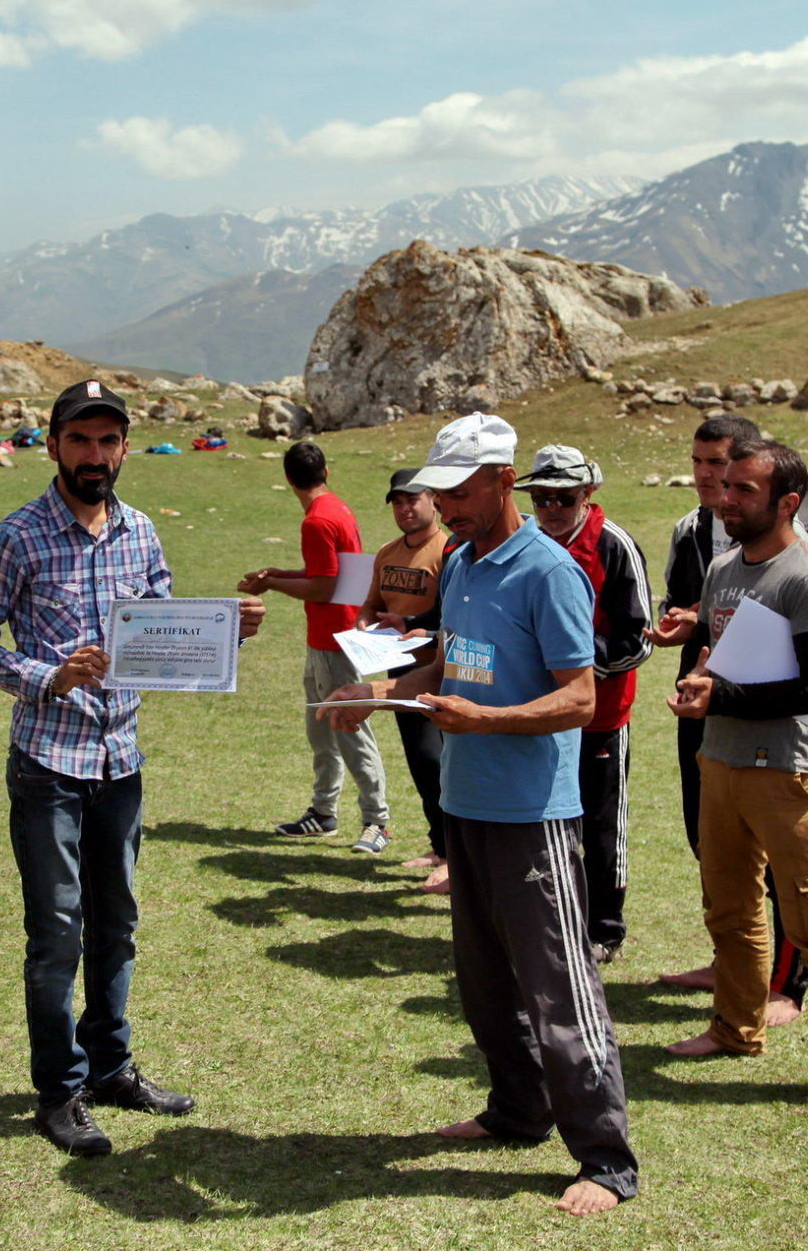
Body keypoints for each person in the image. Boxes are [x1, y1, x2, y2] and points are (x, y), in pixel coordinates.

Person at [319, 412, 638, 1215]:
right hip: (465, 803)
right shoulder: (460, 563)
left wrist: (484, 720)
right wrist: (381, 692)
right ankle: (516, 1112)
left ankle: (605, 1159)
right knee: (486, 983)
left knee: (558, 986)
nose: (447, 507)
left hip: (531, 811)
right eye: (439, 493)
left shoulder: (549, 571)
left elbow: (579, 695)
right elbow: (443, 654)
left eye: (460, 492)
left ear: (504, 481)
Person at [0, 379, 266, 1156]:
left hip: (120, 758)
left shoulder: (140, 532)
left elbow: (162, 633)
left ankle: (110, 1068)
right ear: (53, 443)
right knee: (58, 931)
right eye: (80, 440)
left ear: (125, 448)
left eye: (108, 441)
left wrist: (229, 632)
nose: (95, 455)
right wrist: (45, 676)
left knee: (117, 924)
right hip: (47, 765)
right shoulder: (17, 536)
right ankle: (59, 1091)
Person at [664, 438, 808, 1121]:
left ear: (786, 501)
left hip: (788, 775)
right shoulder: (723, 568)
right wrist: (700, 678)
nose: (724, 499)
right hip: (721, 764)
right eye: (723, 486)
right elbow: (725, 657)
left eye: (742, 491)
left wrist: (718, 698)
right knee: (728, 912)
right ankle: (735, 1028)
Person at [646, 415, 808, 1024]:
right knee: (709, 840)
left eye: (719, 465)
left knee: (779, 854)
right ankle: (733, 960)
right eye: (698, 463)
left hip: (767, 717)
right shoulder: (689, 530)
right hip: (702, 703)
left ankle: (787, 984)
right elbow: (680, 602)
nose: (707, 477)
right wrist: (678, 626)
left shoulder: (791, 537)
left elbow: (799, 632)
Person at [514, 445, 652, 963]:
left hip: (599, 716)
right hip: (536, 713)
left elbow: (638, 641)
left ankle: (604, 929)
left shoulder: (613, 546)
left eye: (563, 498)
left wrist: (575, 659)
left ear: (587, 494)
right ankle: (547, 917)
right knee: (540, 817)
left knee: (598, 824)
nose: (551, 508)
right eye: (541, 498)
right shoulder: (524, 540)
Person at [238, 441, 390, 854]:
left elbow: (323, 587)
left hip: (334, 639)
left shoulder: (316, 521)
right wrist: (278, 573)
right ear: (327, 471)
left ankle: (378, 821)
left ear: (288, 478)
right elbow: (332, 574)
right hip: (329, 636)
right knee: (320, 727)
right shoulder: (337, 508)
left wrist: (271, 584)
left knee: (348, 728)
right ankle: (323, 812)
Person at [356, 467, 450, 889]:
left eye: (413, 499)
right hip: (399, 669)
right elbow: (371, 604)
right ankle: (441, 845)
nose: (405, 508)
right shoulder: (387, 553)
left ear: (433, 500)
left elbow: (454, 615)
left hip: (444, 671)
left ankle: (457, 854)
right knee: (420, 763)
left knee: (441, 761)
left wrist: (414, 624)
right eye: (397, 501)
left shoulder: (449, 550)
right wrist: (362, 627)